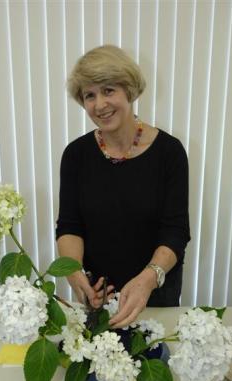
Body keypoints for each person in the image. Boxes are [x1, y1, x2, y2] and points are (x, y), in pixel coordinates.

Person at [56, 44, 190, 329]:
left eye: (108, 90)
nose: (99, 105)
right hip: (98, 294)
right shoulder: (76, 155)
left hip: (154, 292)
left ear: (129, 90)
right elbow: (69, 226)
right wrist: (74, 272)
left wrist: (147, 279)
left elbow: (176, 231)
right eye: (89, 95)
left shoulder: (170, 153)